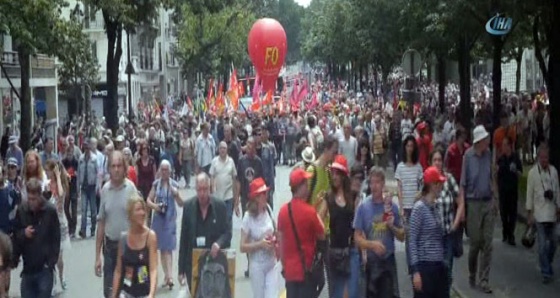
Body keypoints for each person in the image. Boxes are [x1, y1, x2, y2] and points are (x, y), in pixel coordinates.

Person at [354, 167, 405, 298]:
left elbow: (402, 236)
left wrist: (392, 226)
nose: (374, 186)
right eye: (371, 182)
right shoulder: (363, 206)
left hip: (388, 261)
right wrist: (372, 245)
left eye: (377, 182)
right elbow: (357, 238)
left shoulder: (391, 206)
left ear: (383, 184)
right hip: (372, 263)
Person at [95, 151, 139, 298]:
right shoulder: (105, 190)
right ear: (109, 168)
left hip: (129, 249)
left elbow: (139, 218)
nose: (116, 169)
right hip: (110, 250)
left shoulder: (131, 188)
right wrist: (97, 257)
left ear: (124, 167)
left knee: (128, 291)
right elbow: (101, 223)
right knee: (110, 292)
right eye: (113, 166)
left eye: (119, 165)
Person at [178, 173, 232, 289]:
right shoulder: (188, 207)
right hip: (193, 264)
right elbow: (184, 238)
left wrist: (219, 243)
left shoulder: (220, 206)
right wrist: (180, 270)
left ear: (210, 188)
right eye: (199, 190)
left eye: (205, 189)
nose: (202, 193)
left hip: (215, 264)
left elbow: (228, 233)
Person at [277, 168, 325, 297]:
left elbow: (280, 244)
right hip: (306, 272)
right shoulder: (310, 212)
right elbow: (322, 233)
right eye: (306, 183)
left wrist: (284, 265)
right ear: (300, 186)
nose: (308, 186)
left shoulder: (283, 211)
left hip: (290, 272)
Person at [316, 155, 359, 298]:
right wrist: (323, 233)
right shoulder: (328, 197)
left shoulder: (353, 196)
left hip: (351, 249)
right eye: (333, 173)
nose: (334, 176)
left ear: (343, 176)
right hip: (334, 250)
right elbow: (318, 218)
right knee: (337, 292)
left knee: (350, 292)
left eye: (337, 173)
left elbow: (358, 222)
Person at [12, 178, 60, 298]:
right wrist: (24, 233)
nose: (31, 202)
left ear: (40, 196)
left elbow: (56, 238)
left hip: (44, 269)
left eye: (34, 199)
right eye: (29, 199)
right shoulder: (22, 210)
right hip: (28, 268)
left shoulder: (50, 211)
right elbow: (16, 234)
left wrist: (50, 263)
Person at [460, 125, 494, 293]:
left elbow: (492, 177)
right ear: (479, 141)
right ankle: (472, 273)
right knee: (475, 243)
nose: (488, 142)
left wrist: (496, 200)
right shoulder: (468, 156)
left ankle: (484, 279)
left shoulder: (489, 154)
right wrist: (462, 209)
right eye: (485, 139)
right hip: (473, 203)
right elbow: (463, 184)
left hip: (488, 202)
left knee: (488, 243)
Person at [409, 166, 448, 298]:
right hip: (425, 267)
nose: (441, 186)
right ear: (433, 185)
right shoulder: (419, 208)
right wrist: (415, 271)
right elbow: (412, 240)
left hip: (438, 266)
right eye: (439, 183)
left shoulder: (435, 207)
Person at [146, 160, 184, 289]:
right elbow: (148, 200)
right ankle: (167, 276)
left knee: (168, 248)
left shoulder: (174, 185)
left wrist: (176, 194)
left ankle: (170, 276)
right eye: (162, 169)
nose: (164, 172)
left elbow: (181, 203)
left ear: (170, 171)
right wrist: (156, 207)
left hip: (169, 219)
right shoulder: (156, 184)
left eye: (166, 170)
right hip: (158, 220)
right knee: (162, 249)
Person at [240, 177, 280, 298]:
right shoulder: (248, 217)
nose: (265, 196)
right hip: (257, 265)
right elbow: (242, 247)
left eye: (265, 193)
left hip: (271, 262)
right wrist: (260, 244)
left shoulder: (268, 208)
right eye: (262, 194)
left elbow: (275, 230)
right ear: (256, 197)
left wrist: (275, 240)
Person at [430, 149, 464, 288]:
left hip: (448, 233)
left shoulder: (449, 179)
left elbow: (460, 201)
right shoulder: (427, 179)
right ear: (431, 162)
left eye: (439, 160)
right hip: (432, 235)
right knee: (434, 270)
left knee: (447, 268)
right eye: (435, 160)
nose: (437, 163)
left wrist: (455, 223)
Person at [526, 143, 560, 284]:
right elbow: (529, 194)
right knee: (541, 246)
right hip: (539, 214)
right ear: (538, 157)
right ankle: (546, 272)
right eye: (542, 157)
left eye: (546, 158)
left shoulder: (554, 171)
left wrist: (559, 207)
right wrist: (529, 213)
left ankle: (547, 262)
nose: (545, 160)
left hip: (552, 213)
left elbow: (557, 190)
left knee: (553, 241)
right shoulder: (533, 173)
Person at [112, 195, 158, 298]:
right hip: (127, 291)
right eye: (138, 210)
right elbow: (118, 271)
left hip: (144, 292)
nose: (142, 213)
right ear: (130, 215)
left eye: (143, 209)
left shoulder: (150, 236)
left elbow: (153, 269)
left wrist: (151, 294)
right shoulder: (123, 238)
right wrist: (114, 295)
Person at [44, 159, 72, 292]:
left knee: (59, 257)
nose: (47, 172)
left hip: (60, 222)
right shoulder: (47, 185)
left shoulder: (62, 183)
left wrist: (58, 176)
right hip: (49, 222)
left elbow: (60, 194)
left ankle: (62, 276)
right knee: (51, 255)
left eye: (49, 170)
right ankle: (53, 281)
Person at [497, 136, 522, 245]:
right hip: (503, 190)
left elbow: (521, 174)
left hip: (512, 189)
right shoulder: (501, 159)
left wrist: (515, 170)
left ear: (511, 146)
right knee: (503, 213)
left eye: (506, 145)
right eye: (503, 145)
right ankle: (505, 231)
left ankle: (511, 234)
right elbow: (496, 174)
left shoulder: (515, 158)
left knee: (512, 213)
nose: (504, 147)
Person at [209, 141, 240, 221]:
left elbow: (234, 179)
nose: (222, 150)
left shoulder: (231, 161)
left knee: (228, 218)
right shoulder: (214, 161)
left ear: (227, 150)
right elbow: (211, 176)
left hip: (228, 196)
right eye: (221, 148)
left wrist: (236, 197)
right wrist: (212, 190)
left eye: (224, 148)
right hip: (217, 196)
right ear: (218, 150)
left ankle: (228, 233)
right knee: (218, 219)